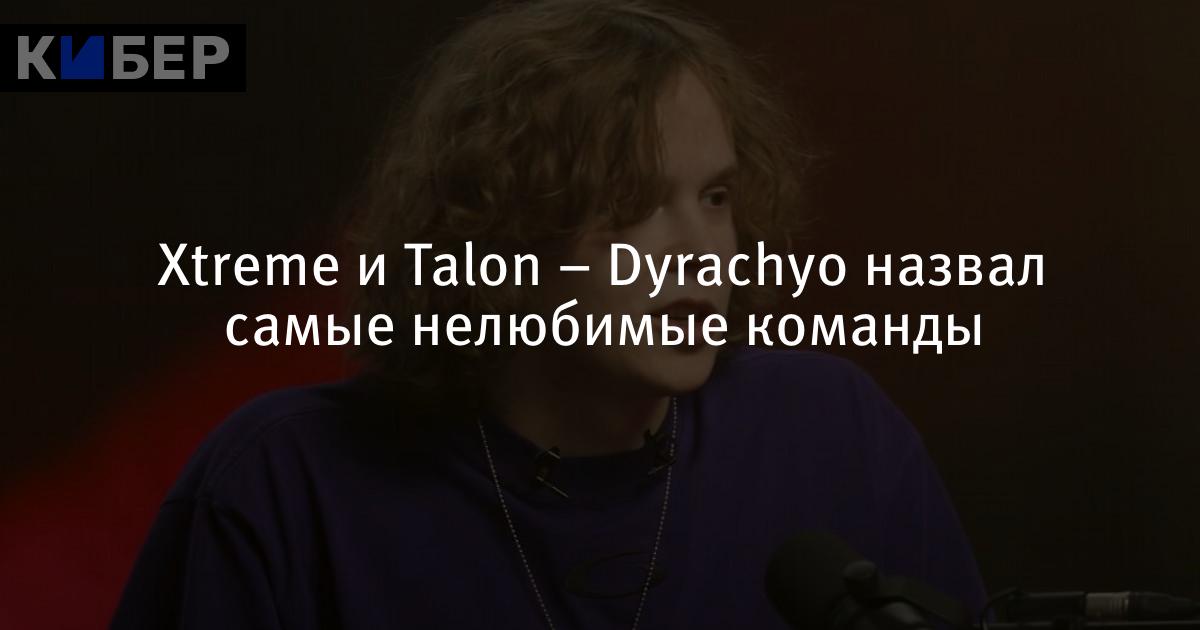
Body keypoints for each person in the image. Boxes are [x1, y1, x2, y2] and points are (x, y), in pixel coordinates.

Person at [113, 1, 987, 628]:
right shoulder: (284, 481)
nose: (700, 250)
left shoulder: (834, 431)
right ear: (500, 227)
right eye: (633, 202)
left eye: (716, 197)